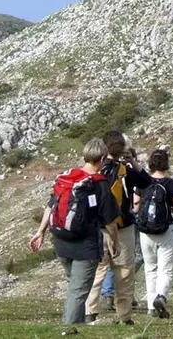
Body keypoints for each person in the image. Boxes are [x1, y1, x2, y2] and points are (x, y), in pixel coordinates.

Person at [28, 138, 121, 326]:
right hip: (85, 246)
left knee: (74, 286)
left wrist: (41, 232)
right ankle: (68, 329)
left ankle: (77, 327)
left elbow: (51, 206)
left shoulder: (67, 178)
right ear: (102, 158)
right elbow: (110, 221)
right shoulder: (99, 184)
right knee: (78, 291)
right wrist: (115, 242)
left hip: (61, 242)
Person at [85, 131, 152, 325]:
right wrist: (134, 162)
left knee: (97, 270)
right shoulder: (126, 171)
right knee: (124, 271)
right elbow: (147, 183)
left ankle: (90, 310)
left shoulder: (95, 170)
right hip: (122, 227)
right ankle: (124, 315)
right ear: (122, 148)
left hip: (98, 228)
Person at [133, 149, 173, 319]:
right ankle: (161, 296)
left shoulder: (143, 182)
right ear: (166, 164)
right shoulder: (171, 184)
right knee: (166, 269)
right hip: (165, 230)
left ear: (150, 163)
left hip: (145, 232)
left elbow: (135, 206)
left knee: (150, 268)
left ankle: (150, 307)